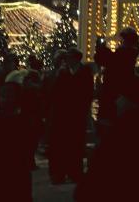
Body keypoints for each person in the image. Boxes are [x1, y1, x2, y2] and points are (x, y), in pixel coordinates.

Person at [46, 50, 93, 185]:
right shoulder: (63, 73)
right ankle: (59, 173)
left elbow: (87, 93)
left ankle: (74, 172)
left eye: (69, 58)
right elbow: (55, 92)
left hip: (76, 114)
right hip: (62, 114)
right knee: (61, 144)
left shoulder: (84, 73)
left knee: (75, 144)